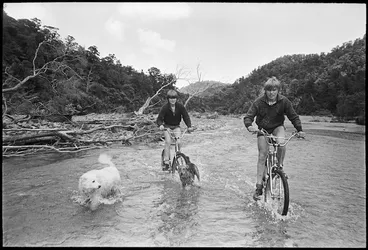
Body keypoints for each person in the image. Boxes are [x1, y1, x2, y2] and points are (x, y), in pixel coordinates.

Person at [243, 76, 305, 201]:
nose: (271, 93)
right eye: (269, 90)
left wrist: (299, 130)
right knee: (262, 155)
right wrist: (250, 126)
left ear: (278, 90)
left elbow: (293, 116)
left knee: (282, 143)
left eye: (274, 90)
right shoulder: (258, 102)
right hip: (263, 129)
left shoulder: (284, 101)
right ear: (265, 90)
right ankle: (259, 187)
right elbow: (248, 117)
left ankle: (279, 167)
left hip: (277, 127)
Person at [156, 89, 193, 171]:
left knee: (178, 141)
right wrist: (161, 125)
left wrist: (189, 126)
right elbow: (159, 119)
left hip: (176, 126)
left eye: (174, 98)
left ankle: (178, 157)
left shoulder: (180, 106)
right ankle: (166, 162)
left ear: (176, 98)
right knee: (168, 142)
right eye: (171, 98)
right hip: (167, 127)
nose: (172, 100)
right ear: (168, 99)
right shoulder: (165, 108)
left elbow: (186, 116)